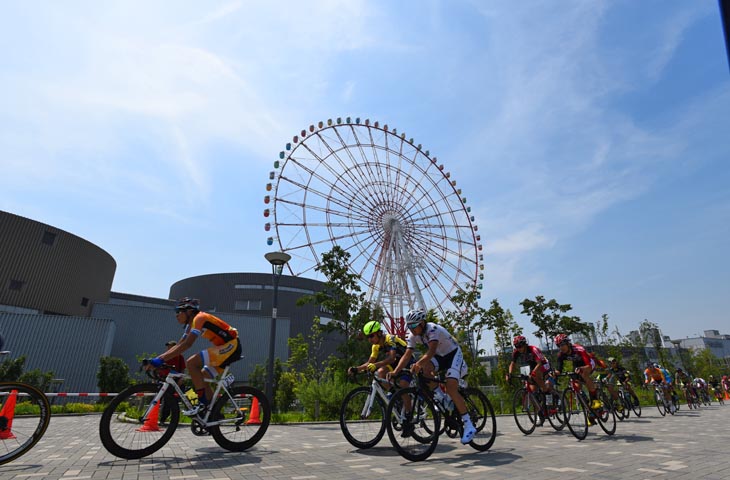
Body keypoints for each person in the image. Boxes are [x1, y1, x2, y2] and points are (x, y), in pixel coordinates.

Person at [391, 309, 476, 444]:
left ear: (423, 323)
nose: (411, 329)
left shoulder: (433, 329)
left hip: (453, 354)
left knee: (451, 387)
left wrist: (418, 363)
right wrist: (395, 372)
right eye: (409, 326)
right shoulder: (412, 336)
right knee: (424, 371)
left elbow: (430, 352)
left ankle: (469, 425)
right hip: (440, 357)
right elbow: (407, 355)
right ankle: (442, 398)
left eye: (414, 325)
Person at [145, 297, 241, 416]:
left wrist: (159, 360)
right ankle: (213, 412)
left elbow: (187, 344)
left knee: (191, 363)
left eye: (178, 311)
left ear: (189, 311)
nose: (176, 315)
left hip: (231, 346)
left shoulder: (200, 318)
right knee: (203, 376)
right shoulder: (190, 325)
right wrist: (157, 359)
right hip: (225, 348)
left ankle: (201, 404)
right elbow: (179, 345)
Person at [348, 321, 413, 394]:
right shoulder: (375, 346)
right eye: (368, 337)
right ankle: (394, 395)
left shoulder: (390, 339)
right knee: (380, 372)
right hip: (396, 362)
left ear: (379, 333)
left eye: (371, 336)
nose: (369, 339)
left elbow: (392, 358)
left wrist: (375, 365)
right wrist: (356, 369)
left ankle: (403, 399)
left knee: (403, 388)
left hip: (407, 361)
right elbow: (370, 363)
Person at [552, 334, 602, 413]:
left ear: (568, 343)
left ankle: (595, 400)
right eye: (558, 346)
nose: (561, 348)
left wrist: (582, 368)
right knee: (576, 385)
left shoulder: (579, 349)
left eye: (562, 345)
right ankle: (588, 406)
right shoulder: (561, 354)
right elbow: (559, 370)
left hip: (589, 363)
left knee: (584, 374)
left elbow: (588, 365)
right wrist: (554, 373)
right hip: (577, 365)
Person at [159, 340, 186, 424]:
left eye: (170, 346)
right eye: (168, 346)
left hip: (175, 380)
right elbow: (160, 367)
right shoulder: (165, 356)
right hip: (165, 379)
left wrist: (181, 378)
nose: (168, 348)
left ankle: (174, 419)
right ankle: (163, 419)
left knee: (175, 400)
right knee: (165, 400)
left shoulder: (179, 356)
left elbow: (182, 369)